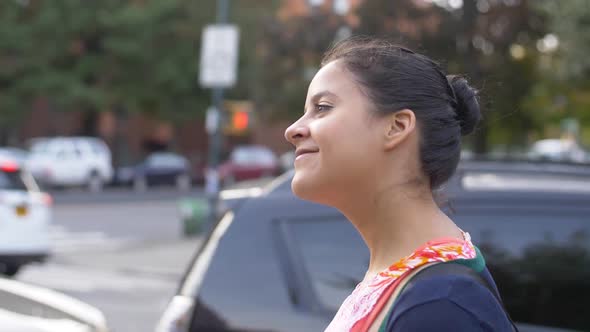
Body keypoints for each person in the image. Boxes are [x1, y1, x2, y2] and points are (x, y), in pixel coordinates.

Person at [284, 36, 515, 331]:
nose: (293, 130)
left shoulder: (440, 307)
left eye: (323, 107)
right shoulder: (406, 283)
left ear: (397, 127)